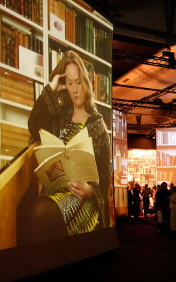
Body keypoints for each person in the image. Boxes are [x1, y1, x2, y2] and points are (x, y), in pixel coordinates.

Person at [20, 50, 112, 245]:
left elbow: (105, 174)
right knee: (30, 209)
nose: (75, 89)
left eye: (78, 82)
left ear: (86, 83)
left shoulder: (97, 124)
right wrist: (51, 88)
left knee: (39, 212)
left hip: (83, 198)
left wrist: (90, 190)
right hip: (55, 190)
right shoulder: (60, 116)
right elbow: (35, 126)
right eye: (69, 83)